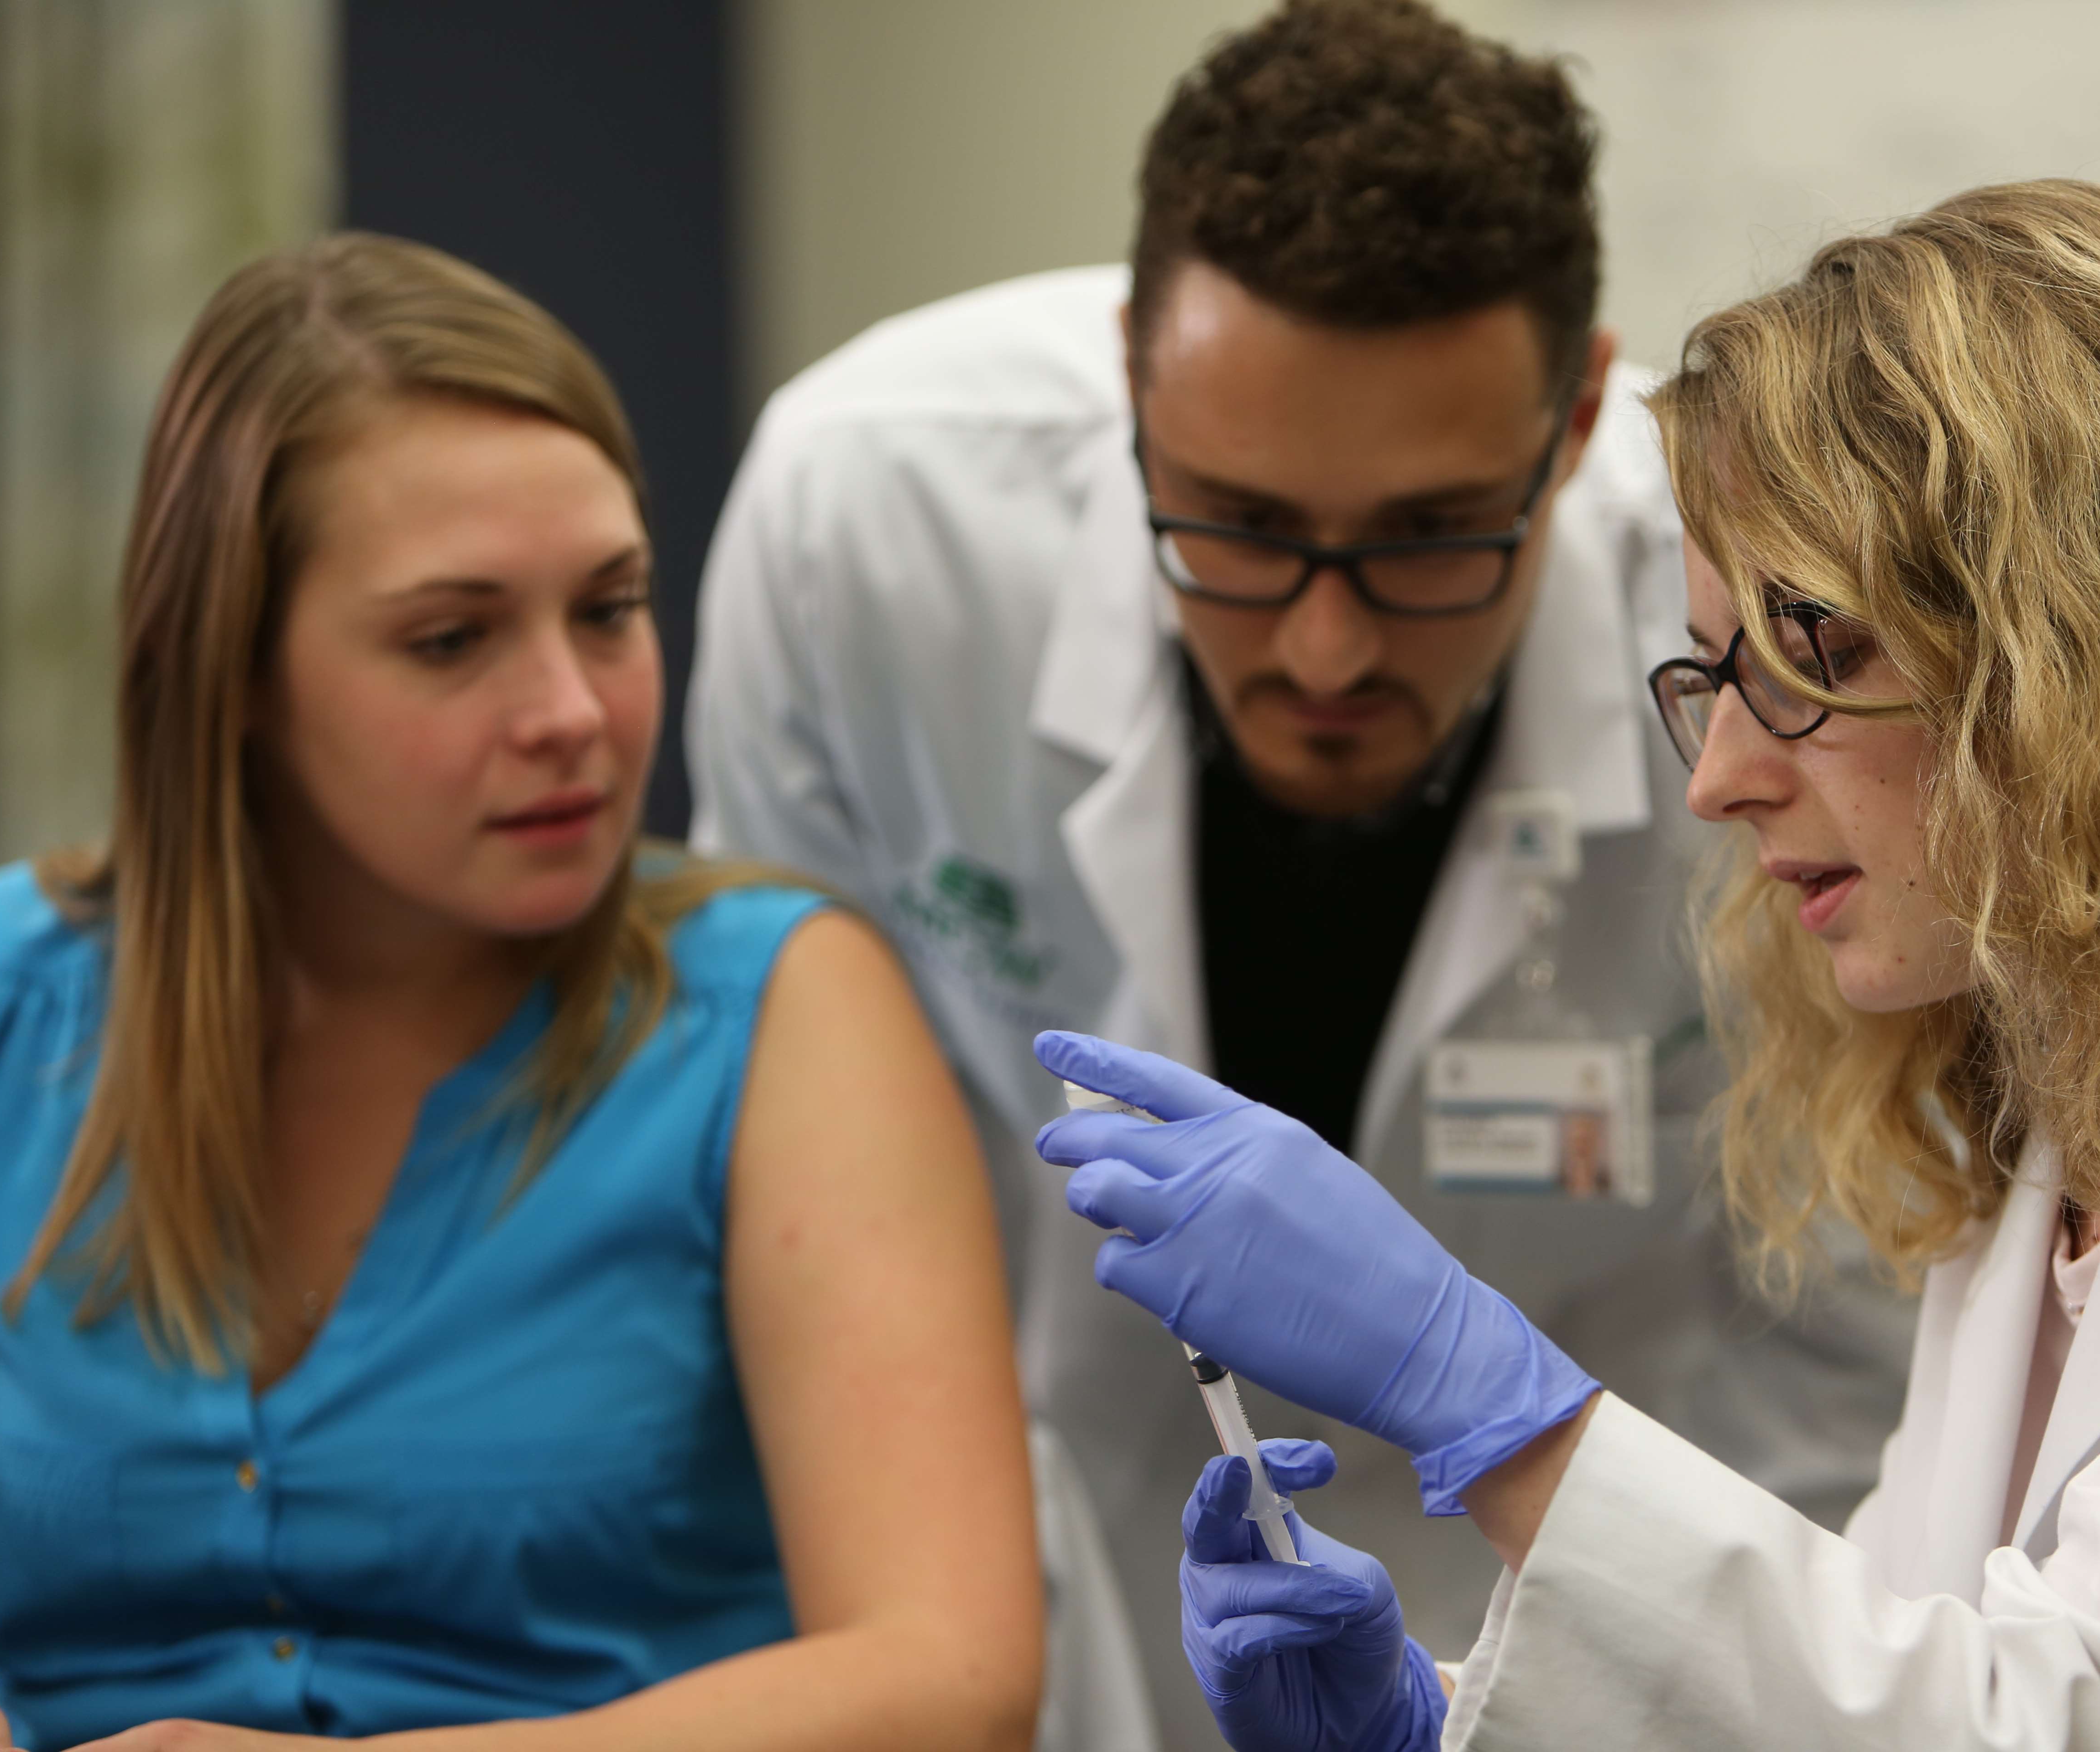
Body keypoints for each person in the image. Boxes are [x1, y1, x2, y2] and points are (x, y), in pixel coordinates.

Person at [1036, 177, 2100, 1750]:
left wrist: (1482, 1400)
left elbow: (2072, 1726)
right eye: (1713, 673)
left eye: (1816, 652)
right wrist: (1438, 1729)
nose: (1719, 779)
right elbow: (1891, 1691)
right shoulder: (2063, 1135)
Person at [685, 5, 1914, 1740]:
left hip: (1592, 1614)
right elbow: (795, 1193)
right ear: (1133, 377)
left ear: (1579, 420)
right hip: (1031, 1563)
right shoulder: (871, 528)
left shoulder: (1750, 640)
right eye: (1242, 528)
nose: (1325, 651)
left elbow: (1852, 1329)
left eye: (1429, 539)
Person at [0, 234, 1041, 1751]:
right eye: (452, 640)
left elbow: (954, 1685)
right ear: (231, 672)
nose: (571, 712)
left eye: (611, 608)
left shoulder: (779, 1014)